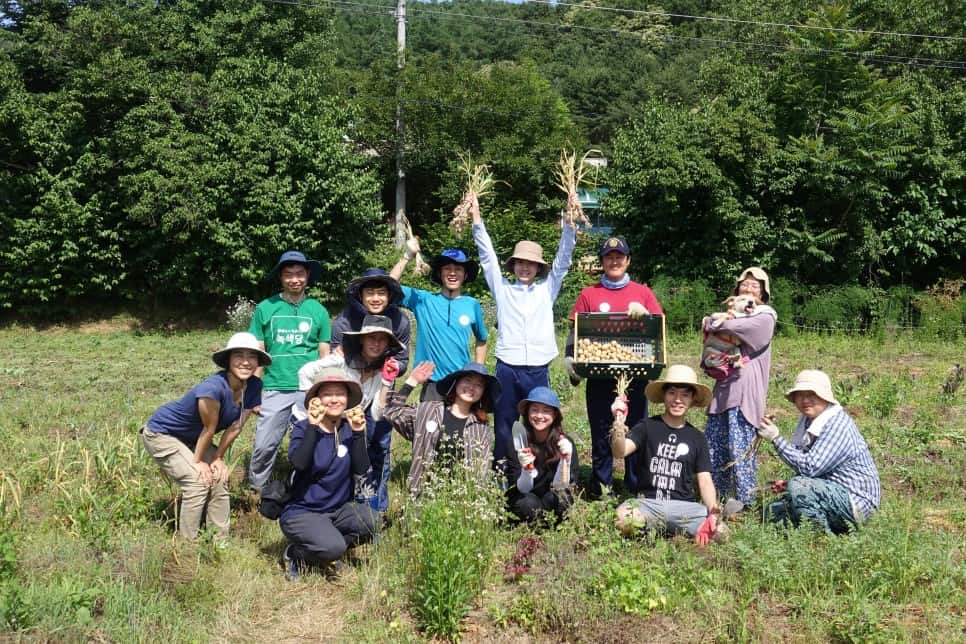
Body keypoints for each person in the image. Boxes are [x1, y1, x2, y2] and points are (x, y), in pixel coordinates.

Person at [470, 192, 576, 472]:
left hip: (538, 367)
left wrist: (570, 222)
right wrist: (476, 220)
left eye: (531, 264)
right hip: (507, 366)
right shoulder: (503, 290)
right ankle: (503, 468)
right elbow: (488, 258)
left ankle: (542, 466)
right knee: (505, 420)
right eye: (520, 262)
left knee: (540, 419)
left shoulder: (546, 289)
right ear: (514, 265)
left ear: (538, 268)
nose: (525, 267)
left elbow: (563, 262)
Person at [142, 332, 269, 540]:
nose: (245, 362)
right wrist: (198, 461)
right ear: (228, 360)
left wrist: (218, 458)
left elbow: (236, 426)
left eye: (252, 356)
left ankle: (219, 540)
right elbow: (209, 429)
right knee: (197, 481)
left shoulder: (254, 385)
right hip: (162, 433)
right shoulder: (212, 389)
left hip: (194, 438)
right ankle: (188, 546)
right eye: (238, 355)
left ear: (258, 361)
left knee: (219, 477)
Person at [565, 235, 664, 497]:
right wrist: (570, 358)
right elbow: (575, 330)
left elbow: (658, 327)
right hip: (599, 375)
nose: (614, 261)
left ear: (628, 260)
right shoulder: (590, 294)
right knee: (601, 430)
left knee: (636, 429)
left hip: (635, 374)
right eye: (609, 257)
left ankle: (635, 486)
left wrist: (646, 315)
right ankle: (601, 487)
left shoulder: (642, 293)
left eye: (619, 256)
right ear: (602, 262)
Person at [295, 315, 404, 513]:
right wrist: (315, 402)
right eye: (371, 337)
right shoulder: (341, 359)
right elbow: (304, 372)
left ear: (388, 343)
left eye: (382, 339)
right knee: (315, 466)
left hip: (345, 425)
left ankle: (360, 513)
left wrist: (387, 382)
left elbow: (377, 414)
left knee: (350, 465)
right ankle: (303, 507)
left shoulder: (383, 370)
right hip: (315, 421)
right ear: (362, 339)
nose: (376, 344)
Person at [611, 365, 727, 545]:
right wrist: (618, 425)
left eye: (685, 395)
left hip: (684, 509)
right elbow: (620, 451)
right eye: (672, 393)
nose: (677, 400)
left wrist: (712, 511)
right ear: (664, 396)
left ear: (692, 399)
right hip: (648, 504)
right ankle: (661, 533)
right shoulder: (647, 426)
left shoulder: (697, 438)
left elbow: (704, 480)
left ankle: (667, 531)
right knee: (622, 518)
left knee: (721, 532)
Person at [280, 368, 378, 581]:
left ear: (347, 399)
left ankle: (326, 545)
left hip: (336, 510)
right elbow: (299, 463)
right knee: (334, 547)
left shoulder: (349, 428)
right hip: (302, 511)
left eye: (340, 394)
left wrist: (359, 433)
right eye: (327, 394)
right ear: (317, 399)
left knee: (373, 522)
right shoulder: (303, 427)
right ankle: (296, 553)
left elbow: (361, 469)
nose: (334, 399)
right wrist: (313, 428)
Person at [247, 250, 332, 492]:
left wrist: (323, 388)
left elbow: (324, 353)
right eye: (289, 275)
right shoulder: (266, 308)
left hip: (309, 388)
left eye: (299, 274)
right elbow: (258, 351)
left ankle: (308, 488)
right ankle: (257, 489)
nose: (295, 279)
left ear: (307, 276)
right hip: (275, 386)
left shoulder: (318, 311)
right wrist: (255, 390)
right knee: (265, 444)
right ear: (281, 277)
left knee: (313, 440)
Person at [757, 370, 881, 534]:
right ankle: (810, 529)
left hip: (856, 501)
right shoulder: (809, 420)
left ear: (825, 397)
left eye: (811, 394)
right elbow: (802, 458)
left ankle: (819, 538)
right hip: (832, 491)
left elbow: (810, 468)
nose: (805, 400)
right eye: (800, 395)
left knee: (798, 487)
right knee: (772, 512)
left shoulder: (837, 424)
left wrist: (776, 438)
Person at [704, 267, 777, 514]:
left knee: (740, 447)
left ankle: (745, 502)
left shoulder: (765, 316)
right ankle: (717, 498)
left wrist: (719, 323)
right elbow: (707, 324)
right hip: (724, 388)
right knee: (716, 445)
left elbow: (720, 326)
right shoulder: (737, 312)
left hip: (745, 391)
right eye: (744, 285)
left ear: (763, 293)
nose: (748, 288)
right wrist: (715, 323)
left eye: (755, 286)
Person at [383, 361, 500, 497]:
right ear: (456, 383)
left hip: (460, 502)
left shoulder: (481, 429)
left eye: (479, 385)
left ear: (483, 393)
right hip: (421, 494)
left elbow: (482, 472)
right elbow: (391, 413)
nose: (472, 387)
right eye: (467, 380)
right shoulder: (428, 410)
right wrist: (411, 382)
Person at [390, 241, 489, 401]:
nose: (452, 273)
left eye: (458, 269)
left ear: (465, 275)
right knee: (429, 425)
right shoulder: (423, 300)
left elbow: (482, 341)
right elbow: (388, 286)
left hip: (461, 383)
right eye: (447, 268)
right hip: (431, 382)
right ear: (440, 273)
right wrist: (407, 255)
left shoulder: (472, 304)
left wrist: (478, 373)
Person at [506, 387, 577, 524]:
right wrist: (526, 469)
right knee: (527, 503)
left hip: (551, 495)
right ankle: (537, 522)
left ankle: (544, 523)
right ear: (527, 413)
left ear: (555, 415)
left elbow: (561, 486)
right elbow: (522, 489)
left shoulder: (565, 443)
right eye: (535, 409)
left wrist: (565, 461)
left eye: (546, 411)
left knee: (563, 499)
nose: (539, 416)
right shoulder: (518, 442)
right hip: (526, 496)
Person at [330, 268, 410, 377]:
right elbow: (333, 356)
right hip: (348, 377)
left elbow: (402, 361)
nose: (375, 299)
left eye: (381, 293)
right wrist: (337, 357)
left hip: (382, 377)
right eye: (370, 293)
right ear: (360, 295)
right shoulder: (344, 321)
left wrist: (394, 366)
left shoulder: (400, 321)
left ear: (389, 295)